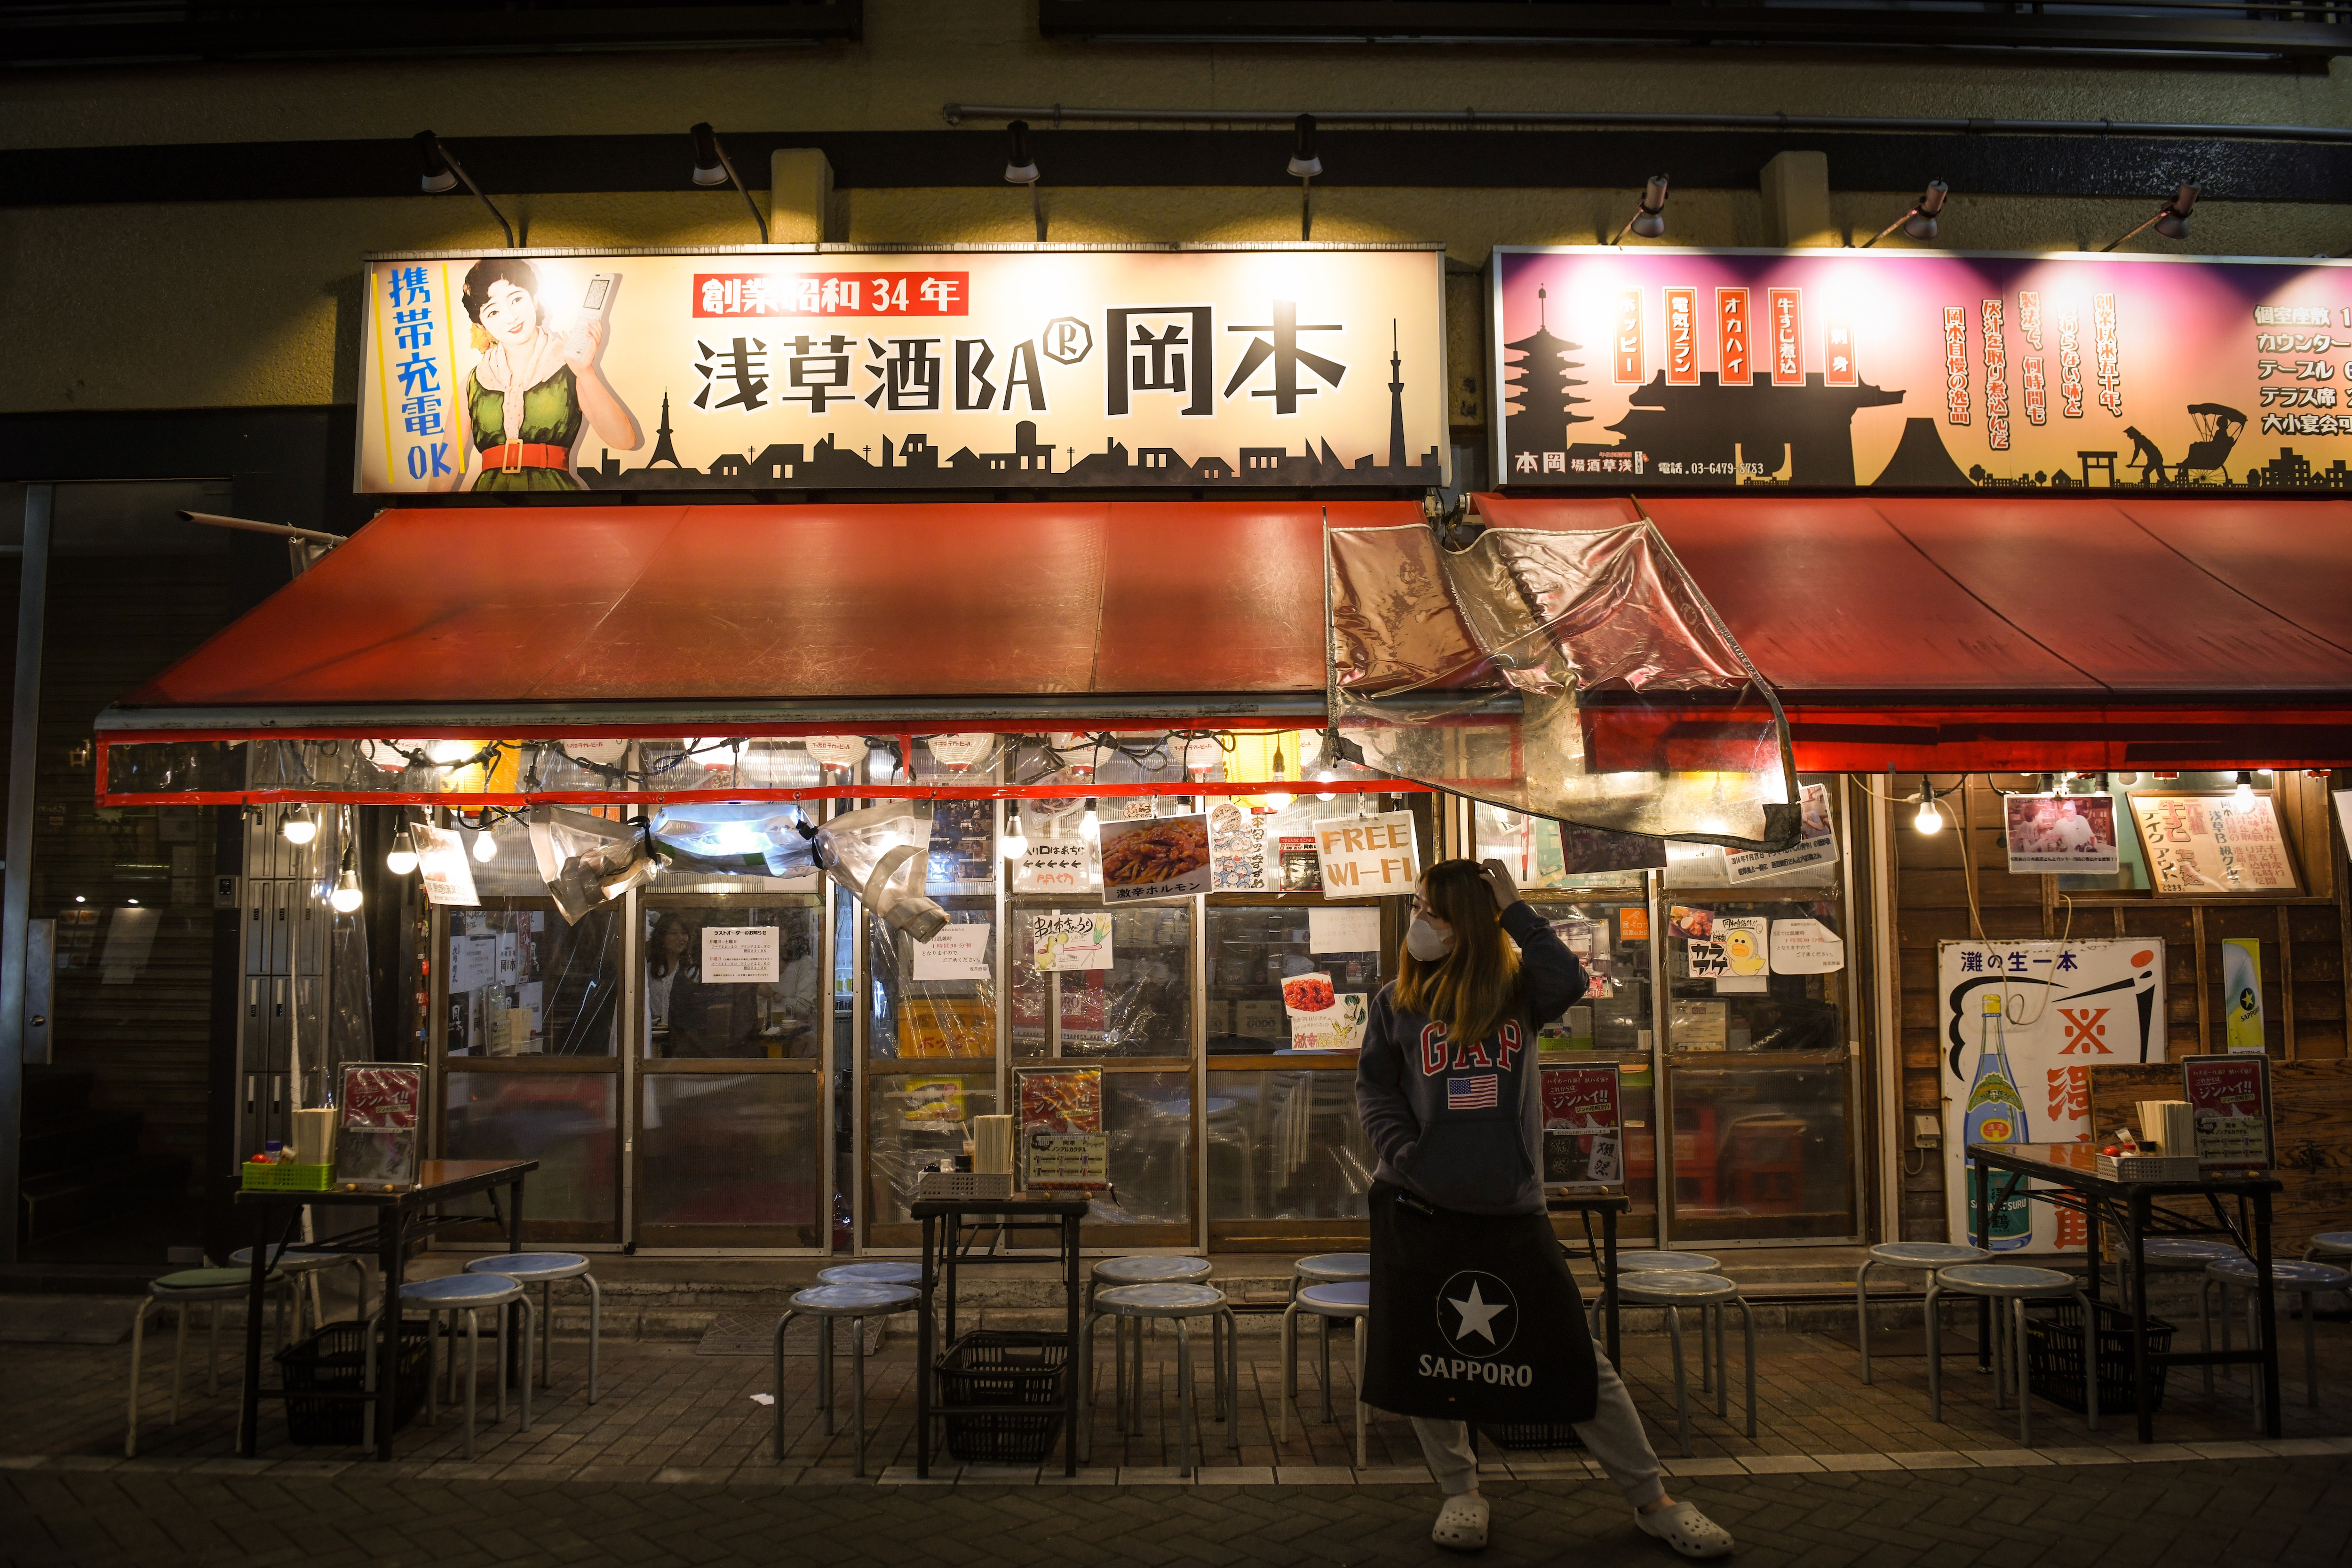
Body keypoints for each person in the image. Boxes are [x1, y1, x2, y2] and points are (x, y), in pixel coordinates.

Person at [1356, 857, 1734, 1559]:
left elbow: (1571, 978)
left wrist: (1516, 910)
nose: (1419, 922)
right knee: (1426, 1358)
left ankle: (1654, 1499)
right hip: (1419, 1206)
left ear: (1467, 920)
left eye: (1434, 912)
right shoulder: (1395, 1001)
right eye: (1417, 907)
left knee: (1573, 1360)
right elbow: (1375, 1089)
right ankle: (1460, 1491)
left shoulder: (1518, 991)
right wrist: (1404, 1149)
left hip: (1511, 1208)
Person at [437, 256, 641, 492]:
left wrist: (585, 372)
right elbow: (449, 456)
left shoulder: (569, 366)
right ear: (481, 325)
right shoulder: (474, 381)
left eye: (516, 299)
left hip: (555, 502)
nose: (511, 317)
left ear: (534, 299)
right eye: (493, 312)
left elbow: (624, 441)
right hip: (489, 506)